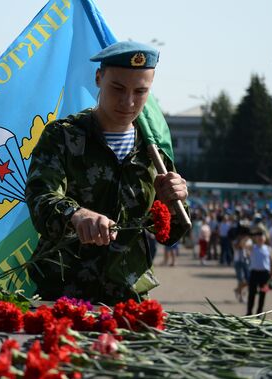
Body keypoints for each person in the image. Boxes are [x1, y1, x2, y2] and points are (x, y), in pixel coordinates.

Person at [25, 41, 190, 304]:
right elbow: (40, 199)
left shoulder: (154, 150)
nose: (128, 101)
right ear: (99, 78)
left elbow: (171, 234)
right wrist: (76, 215)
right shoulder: (64, 136)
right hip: (64, 294)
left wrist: (173, 201)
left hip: (128, 297)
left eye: (140, 91)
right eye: (118, 88)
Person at [246, 229, 272, 316]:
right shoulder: (252, 247)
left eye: (262, 236)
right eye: (258, 236)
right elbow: (244, 244)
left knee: (263, 294)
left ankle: (259, 313)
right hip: (254, 273)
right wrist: (249, 236)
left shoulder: (268, 248)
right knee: (251, 293)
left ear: (265, 238)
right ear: (255, 238)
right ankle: (249, 312)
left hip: (265, 275)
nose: (260, 238)